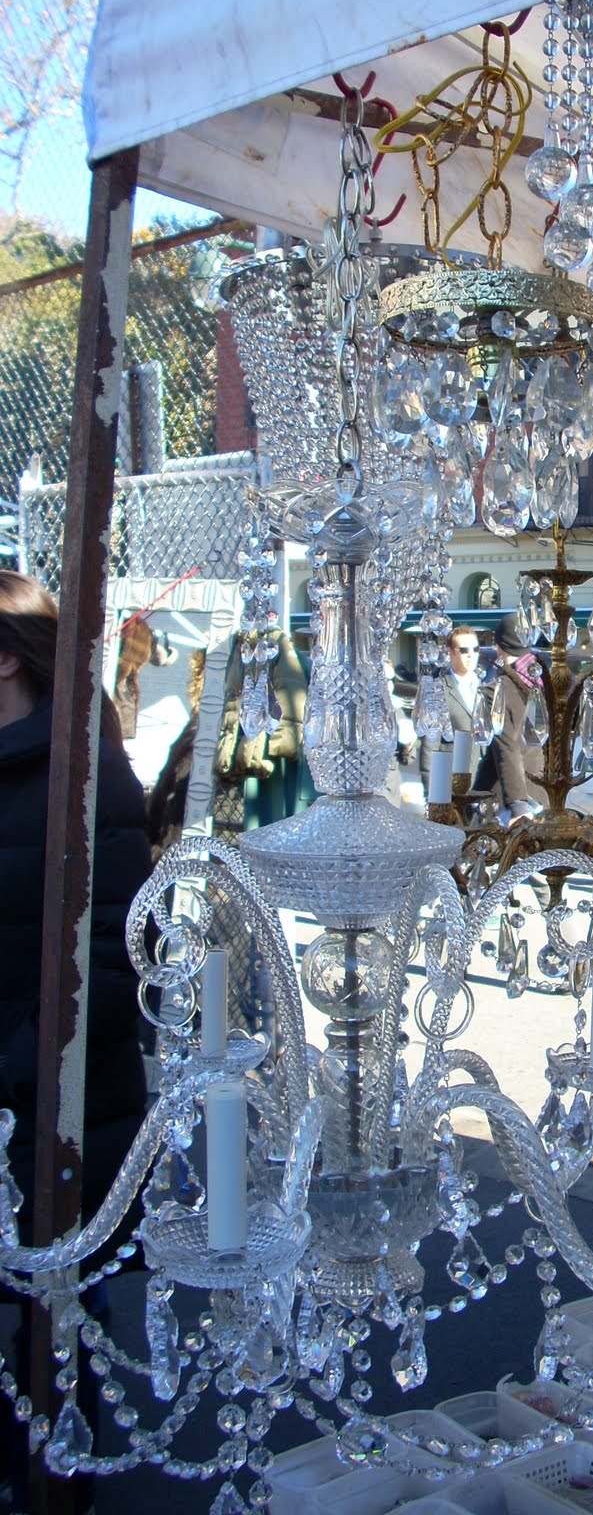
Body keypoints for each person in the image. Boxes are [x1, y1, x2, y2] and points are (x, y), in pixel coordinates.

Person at [0, 574, 151, 1507]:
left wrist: (24, 1068)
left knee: (53, 1322)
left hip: (52, 1107)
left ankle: (56, 1484)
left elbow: (116, 953)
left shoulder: (85, 775)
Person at [473, 613, 546, 822]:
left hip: (505, 801)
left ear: (498, 647)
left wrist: (518, 804)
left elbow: (507, 746)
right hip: (542, 791)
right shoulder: (542, 681)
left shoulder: (496, 690)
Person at [420, 626, 484, 795]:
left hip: (485, 780)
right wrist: (433, 793)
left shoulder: (486, 684)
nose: (471, 655)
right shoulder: (438, 688)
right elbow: (430, 744)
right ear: (450, 652)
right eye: (464, 650)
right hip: (451, 781)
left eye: (476, 649)